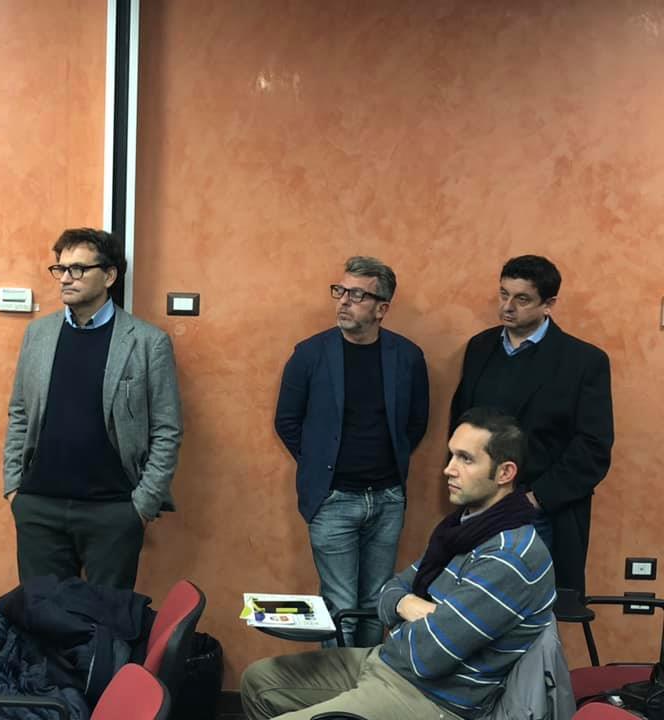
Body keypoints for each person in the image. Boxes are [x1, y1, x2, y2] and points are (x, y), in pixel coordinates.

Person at [242, 408, 556, 720]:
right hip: (389, 662)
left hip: (432, 699)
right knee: (259, 681)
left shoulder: (509, 556)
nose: (448, 469)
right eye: (451, 456)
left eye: (466, 459)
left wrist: (405, 617)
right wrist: (409, 605)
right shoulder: (462, 528)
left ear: (505, 473)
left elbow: (428, 657)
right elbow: (390, 590)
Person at [3, 228, 183, 589]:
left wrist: (141, 506)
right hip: (39, 506)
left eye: (78, 269)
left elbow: (167, 430)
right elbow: (20, 412)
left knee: (107, 616)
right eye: (60, 269)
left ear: (109, 276)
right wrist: (15, 489)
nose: (65, 278)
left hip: (114, 511)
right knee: (42, 613)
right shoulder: (39, 335)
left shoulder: (148, 343)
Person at [274, 256, 429, 646]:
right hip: (333, 500)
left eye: (357, 295)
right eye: (340, 291)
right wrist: (321, 464)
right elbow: (287, 421)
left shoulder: (407, 357)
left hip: (388, 498)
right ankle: (338, 684)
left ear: (382, 309)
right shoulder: (310, 354)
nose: (343, 301)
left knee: (379, 602)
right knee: (340, 605)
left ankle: (367, 682)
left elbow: (416, 424)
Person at [450, 255, 613, 597]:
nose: (507, 307)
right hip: (480, 503)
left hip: (540, 511)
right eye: (503, 294)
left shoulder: (583, 361)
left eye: (522, 299)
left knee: (531, 610)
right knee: (473, 605)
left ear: (548, 304)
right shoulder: (480, 347)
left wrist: (536, 499)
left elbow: (593, 447)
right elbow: (462, 419)